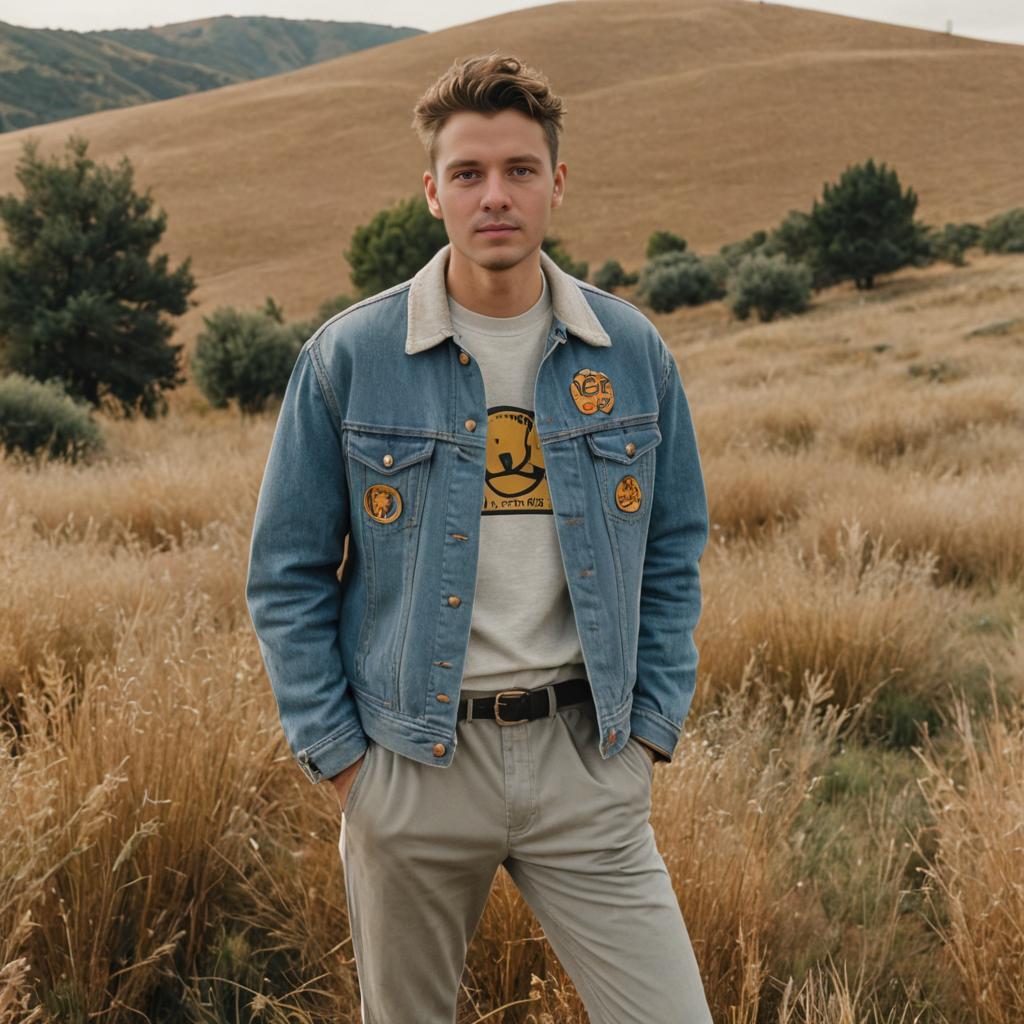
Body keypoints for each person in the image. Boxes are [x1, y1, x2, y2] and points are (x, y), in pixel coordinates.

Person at [245, 51, 713, 1024]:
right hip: (412, 764)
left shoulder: (630, 352)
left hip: (587, 759)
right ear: (432, 191)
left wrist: (650, 730)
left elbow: (673, 548)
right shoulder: (351, 358)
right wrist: (343, 761)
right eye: (468, 173)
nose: (493, 195)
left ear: (556, 182)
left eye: (518, 170)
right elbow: (285, 574)